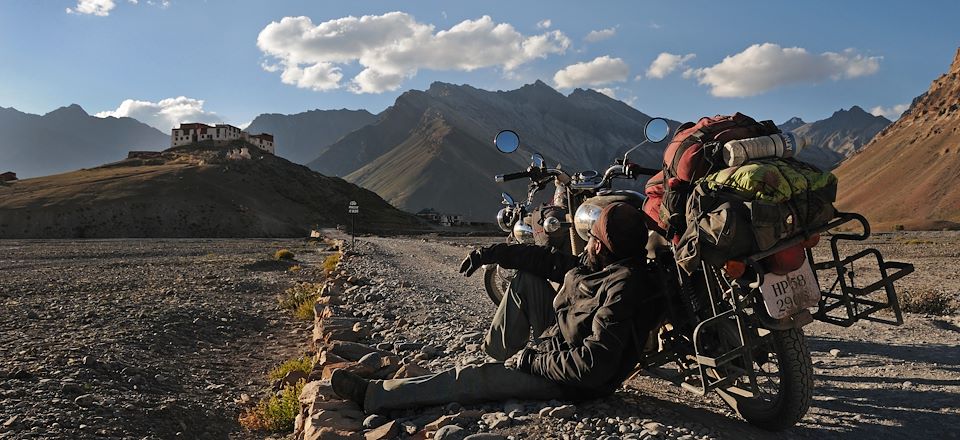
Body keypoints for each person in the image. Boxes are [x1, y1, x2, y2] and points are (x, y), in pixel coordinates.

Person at [331, 202, 663, 414]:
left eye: (593, 237)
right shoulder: (596, 265)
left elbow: (591, 367)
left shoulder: (623, 286)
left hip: (572, 381)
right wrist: (489, 253)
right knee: (528, 279)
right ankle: (501, 355)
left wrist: (533, 361)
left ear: (604, 245)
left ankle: (376, 395)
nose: (587, 241)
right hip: (557, 343)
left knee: (471, 378)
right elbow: (544, 259)